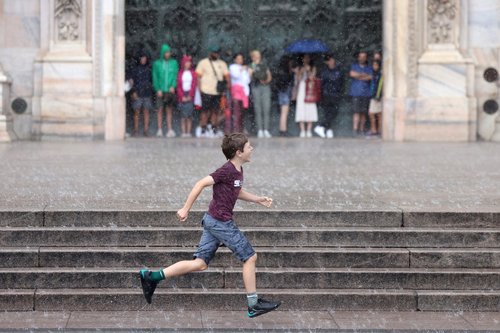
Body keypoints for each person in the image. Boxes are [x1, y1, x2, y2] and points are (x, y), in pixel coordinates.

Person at [139, 133, 282, 318]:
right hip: (221, 222)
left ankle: (153, 277)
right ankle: (253, 304)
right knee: (250, 257)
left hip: (213, 220)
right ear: (239, 152)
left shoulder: (237, 171)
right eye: (249, 147)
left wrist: (258, 199)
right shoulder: (226, 170)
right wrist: (185, 208)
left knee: (200, 264)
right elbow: (201, 183)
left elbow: (235, 190)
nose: (252, 149)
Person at [195, 45, 230, 138]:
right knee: (205, 111)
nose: (216, 54)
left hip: (217, 92)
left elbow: (227, 77)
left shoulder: (222, 64)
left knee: (215, 111)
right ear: (210, 53)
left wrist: (226, 87)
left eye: (217, 53)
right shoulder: (203, 63)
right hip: (205, 90)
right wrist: (199, 89)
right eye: (214, 52)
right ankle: (203, 128)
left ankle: (214, 128)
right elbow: (198, 77)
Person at [314, 54, 343, 139]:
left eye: (332, 60)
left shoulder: (338, 71)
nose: (331, 62)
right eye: (329, 60)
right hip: (327, 95)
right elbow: (322, 83)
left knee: (333, 113)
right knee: (329, 113)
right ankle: (321, 127)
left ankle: (327, 129)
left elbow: (341, 83)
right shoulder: (325, 72)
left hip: (335, 95)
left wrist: (339, 92)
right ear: (327, 62)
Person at [153, 43, 179, 138]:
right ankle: (159, 129)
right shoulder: (157, 64)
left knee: (169, 110)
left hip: (169, 90)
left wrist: (173, 86)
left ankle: (169, 129)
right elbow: (155, 77)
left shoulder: (174, 63)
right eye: (166, 52)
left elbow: (176, 75)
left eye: (169, 52)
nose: (167, 54)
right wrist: (157, 88)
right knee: (159, 109)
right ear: (163, 53)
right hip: (160, 90)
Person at [129, 49, 153, 137]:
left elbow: (151, 81)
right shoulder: (135, 69)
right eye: (142, 58)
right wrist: (133, 92)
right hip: (137, 93)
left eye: (145, 58)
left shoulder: (149, 68)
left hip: (147, 93)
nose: (143, 59)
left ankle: (146, 130)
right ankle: (135, 130)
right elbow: (131, 82)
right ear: (139, 59)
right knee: (136, 112)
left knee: (146, 111)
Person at [249, 50, 272, 138]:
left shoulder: (264, 64)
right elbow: (249, 77)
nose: (258, 57)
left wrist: (265, 81)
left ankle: (266, 129)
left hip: (265, 87)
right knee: (257, 109)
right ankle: (260, 130)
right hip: (256, 87)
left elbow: (269, 75)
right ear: (253, 57)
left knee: (266, 108)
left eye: (259, 55)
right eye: (256, 55)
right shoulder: (251, 65)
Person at [349, 51, 373, 136]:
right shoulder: (354, 66)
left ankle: (361, 130)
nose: (362, 58)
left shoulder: (369, 67)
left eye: (364, 56)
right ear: (358, 58)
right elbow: (352, 74)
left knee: (363, 113)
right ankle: (355, 130)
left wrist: (358, 76)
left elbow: (370, 77)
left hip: (366, 93)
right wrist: (363, 75)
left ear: (366, 58)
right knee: (356, 112)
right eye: (361, 56)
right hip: (356, 93)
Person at [295, 54, 318, 138]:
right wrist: (302, 71)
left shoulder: (313, 68)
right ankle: (302, 130)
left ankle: (309, 130)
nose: (306, 60)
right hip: (301, 89)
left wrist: (308, 71)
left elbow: (313, 78)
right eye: (304, 58)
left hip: (310, 89)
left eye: (308, 58)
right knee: (301, 108)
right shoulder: (299, 68)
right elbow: (297, 79)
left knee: (310, 108)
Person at [229, 53, 251, 133]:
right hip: (236, 91)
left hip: (244, 92)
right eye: (238, 59)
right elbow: (236, 76)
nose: (240, 60)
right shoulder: (232, 67)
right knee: (236, 111)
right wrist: (242, 69)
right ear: (235, 59)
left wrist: (249, 73)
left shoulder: (244, 68)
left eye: (241, 59)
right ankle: (235, 130)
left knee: (242, 112)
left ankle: (241, 129)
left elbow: (247, 81)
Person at [274, 55, 296, 137]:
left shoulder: (281, 71)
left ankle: (283, 130)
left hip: (282, 93)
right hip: (285, 94)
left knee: (283, 113)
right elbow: (287, 83)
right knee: (284, 113)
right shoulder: (286, 73)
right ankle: (283, 130)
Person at [176, 55, 197, 138]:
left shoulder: (192, 73)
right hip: (182, 94)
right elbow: (178, 86)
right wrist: (182, 96)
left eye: (189, 63)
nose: (187, 64)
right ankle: (183, 131)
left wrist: (190, 95)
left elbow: (193, 84)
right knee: (183, 115)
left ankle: (188, 132)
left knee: (189, 114)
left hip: (190, 94)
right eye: (186, 62)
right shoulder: (180, 73)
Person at [367, 60, 383, 136]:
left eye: (376, 65)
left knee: (375, 114)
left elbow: (380, 85)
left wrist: (378, 95)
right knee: (374, 114)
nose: (374, 67)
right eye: (373, 65)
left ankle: (377, 129)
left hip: (377, 96)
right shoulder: (374, 74)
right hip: (373, 95)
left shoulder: (380, 74)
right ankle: (376, 129)